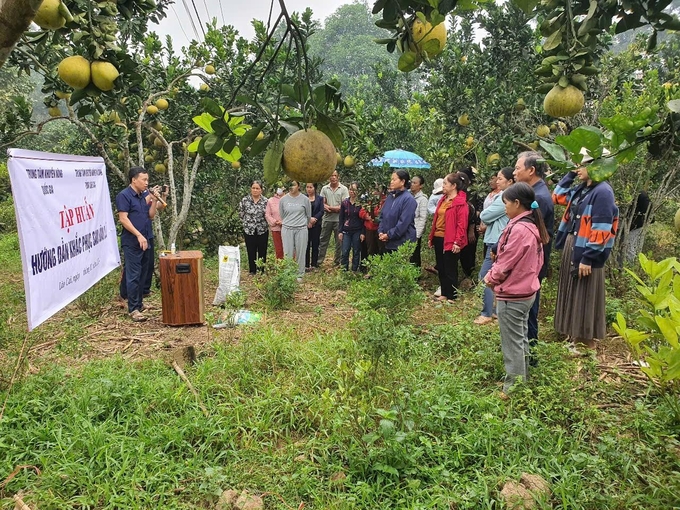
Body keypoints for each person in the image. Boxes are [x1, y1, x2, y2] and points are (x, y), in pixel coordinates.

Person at [484, 182, 549, 395]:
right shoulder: (530, 225)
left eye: (505, 203)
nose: (504, 207)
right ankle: (521, 378)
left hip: (514, 294)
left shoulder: (520, 229)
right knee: (520, 336)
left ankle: (513, 388)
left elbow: (506, 262)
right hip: (526, 291)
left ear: (517, 203)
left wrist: (491, 277)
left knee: (512, 343)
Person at [553, 155, 619, 350]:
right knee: (573, 290)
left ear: (597, 166)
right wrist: (570, 174)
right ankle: (574, 337)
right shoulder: (583, 189)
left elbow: (602, 228)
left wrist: (588, 258)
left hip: (586, 248)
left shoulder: (603, 192)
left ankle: (586, 342)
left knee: (585, 293)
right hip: (574, 242)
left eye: (582, 165)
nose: (578, 168)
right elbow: (557, 196)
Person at [513, 151, 555, 360]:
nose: (514, 172)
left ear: (531, 170)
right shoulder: (535, 193)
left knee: (529, 309)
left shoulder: (538, 198)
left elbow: (528, 234)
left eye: (517, 168)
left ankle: (531, 355)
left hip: (532, 264)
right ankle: (527, 353)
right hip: (532, 263)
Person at [115, 167, 162, 322]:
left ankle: (139, 303)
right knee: (134, 274)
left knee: (144, 272)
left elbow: (150, 215)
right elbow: (123, 219)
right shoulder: (124, 196)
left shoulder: (142, 196)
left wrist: (154, 200)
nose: (146, 183)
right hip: (132, 241)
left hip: (145, 239)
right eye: (144, 180)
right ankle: (133, 308)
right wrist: (138, 235)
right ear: (134, 180)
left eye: (147, 180)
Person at [474, 167, 515, 325]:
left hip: (498, 241)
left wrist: (485, 215)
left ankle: (487, 313)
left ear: (510, 181)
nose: (497, 181)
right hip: (498, 239)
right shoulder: (504, 195)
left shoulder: (505, 196)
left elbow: (486, 215)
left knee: (485, 277)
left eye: (500, 179)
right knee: (498, 278)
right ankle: (497, 312)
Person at [428, 172, 469, 302]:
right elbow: (436, 219)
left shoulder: (460, 203)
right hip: (438, 236)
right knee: (441, 266)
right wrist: (431, 237)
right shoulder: (442, 199)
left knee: (450, 266)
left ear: (454, 186)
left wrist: (457, 241)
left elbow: (461, 224)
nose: (443, 186)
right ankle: (444, 293)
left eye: (445, 183)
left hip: (451, 238)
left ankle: (452, 295)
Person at [378, 170, 418, 254]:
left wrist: (389, 235)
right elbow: (382, 216)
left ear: (403, 181)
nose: (391, 182)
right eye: (391, 179)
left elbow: (403, 223)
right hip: (388, 242)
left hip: (402, 244)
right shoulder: (390, 197)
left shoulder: (408, 199)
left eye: (394, 180)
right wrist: (381, 231)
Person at [279, 180, 311, 281]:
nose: (291, 187)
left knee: (301, 252)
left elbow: (308, 215)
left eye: (294, 185)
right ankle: (288, 274)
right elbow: (282, 215)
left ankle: (300, 274)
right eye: (290, 185)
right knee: (288, 252)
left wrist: (301, 224)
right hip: (287, 228)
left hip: (301, 229)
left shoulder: (305, 199)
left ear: (298, 186)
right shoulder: (283, 199)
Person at [318, 170, 349, 266]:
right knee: (323, 240)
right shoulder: (324, 188)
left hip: (339, 220)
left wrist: (330, 207)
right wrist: (328, 207)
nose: (333, 177)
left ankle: (337, 261)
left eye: (335, 175)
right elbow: (322, 203)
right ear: (328, 177)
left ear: (338, 177)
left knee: (339, 242)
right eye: (331, 175)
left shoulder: (343, 189)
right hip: (327, 219)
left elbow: (344, 206)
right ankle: (319, 261)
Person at [238, 181, 268, 275]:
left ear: (261, 190)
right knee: (251, 250)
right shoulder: (245, 200)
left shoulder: (266, 201)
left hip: (262, 229)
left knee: (262, 250)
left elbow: (268, 214)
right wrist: (247, 222)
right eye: (253, 188)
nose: (255, 190)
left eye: (257, 188)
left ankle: (261, 270)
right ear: (251, 189)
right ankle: (252, 270)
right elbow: (241, 213)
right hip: (249, 230)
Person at [338, 182, 365, 272]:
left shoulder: (361, 203)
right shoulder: (345, 203)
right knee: (345, 251)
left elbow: (363, 220)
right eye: (350, 189)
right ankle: (344, 269)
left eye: (354, 190)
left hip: (357, 230)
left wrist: (362, 232)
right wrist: (340, 231)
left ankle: (354, 269)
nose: (352, 192)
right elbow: (341, 218)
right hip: (346, 230)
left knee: (356, 251)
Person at [359, 185, 386, 265]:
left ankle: (380, 270)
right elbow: (361, 211)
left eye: (378, 189)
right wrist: (367, 216)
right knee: (370, 250)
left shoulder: (385, 200)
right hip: (369, 229)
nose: (375, 191)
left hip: (380, 229)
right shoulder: (369, 200)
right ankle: (371, 269)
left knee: (381, 250)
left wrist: (376, 216)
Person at [623, 190, 651, 264]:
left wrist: (640, 222)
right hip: (629, 225)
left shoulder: (641, 195)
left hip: (636, 226)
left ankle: (630, 267)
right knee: (628, 246)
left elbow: (649, 212)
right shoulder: (631, 193)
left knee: (630, 247)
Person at [409, 175, 429, 267]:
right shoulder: (407, 196)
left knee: (414, 255)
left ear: (421, 186)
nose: (412, 184)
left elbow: (423, 218)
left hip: (415, 230)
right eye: (411, 182)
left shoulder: (423, 199)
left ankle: (416, 275)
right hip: (405, 230)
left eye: (415, 183)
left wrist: (417, 234)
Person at [305, 183, 324, 270]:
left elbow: (321, 211)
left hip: (316, 224)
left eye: (310, 187)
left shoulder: (319, 198)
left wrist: (314, 219)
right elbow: (301, 211)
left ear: (315, 188)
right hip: (305, 224)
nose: (309, 189)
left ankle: (314, 264)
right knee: (306, 244)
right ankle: (306, 264)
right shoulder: (303, 198)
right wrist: (308, 220)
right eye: (307, 187)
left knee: (315, 244)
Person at [265, 187, 284, 259]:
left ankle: (290, 267)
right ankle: (280, 267)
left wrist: (283, 222)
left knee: (290, 248)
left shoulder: (289, 199)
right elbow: (267, 214)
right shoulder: (270, 200)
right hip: (276, 229)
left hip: (288, 228)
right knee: (279, 249)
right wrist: (275, 221)